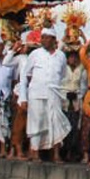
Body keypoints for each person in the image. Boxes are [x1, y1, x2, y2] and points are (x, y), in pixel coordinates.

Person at [25, 28, 70, 160]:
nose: (44, 40)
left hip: (54, 93)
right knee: (37, 122)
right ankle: (35, 152)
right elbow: (27, 75)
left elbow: (62, 75)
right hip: (37, 94)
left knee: (55, 122)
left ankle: (56, 154)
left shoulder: (61, 56)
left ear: (54, 40)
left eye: (47, 37)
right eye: (42, 37)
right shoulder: (35, 54)